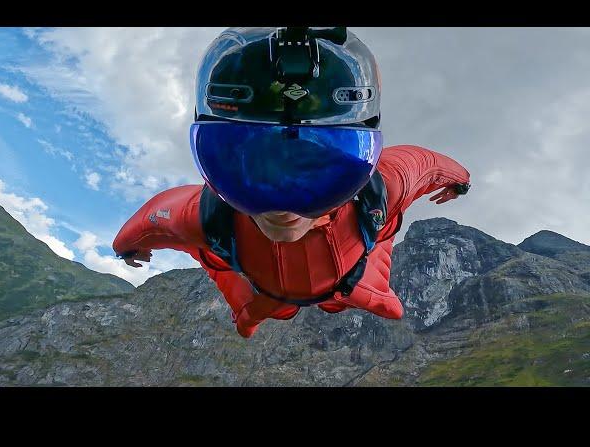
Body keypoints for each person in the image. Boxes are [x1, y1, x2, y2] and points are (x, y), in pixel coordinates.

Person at [113, 27, 471, 339]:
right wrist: (459, 181)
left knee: (255, 315)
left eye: (316, 174)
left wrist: (127, 247)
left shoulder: (202, 215)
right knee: (380, 305)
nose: (284, 205)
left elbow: (151, 219)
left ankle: (260, 310)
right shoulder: (385, 182)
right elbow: (428, 165)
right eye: (258, 173)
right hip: (334, 280)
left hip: (280, 287)